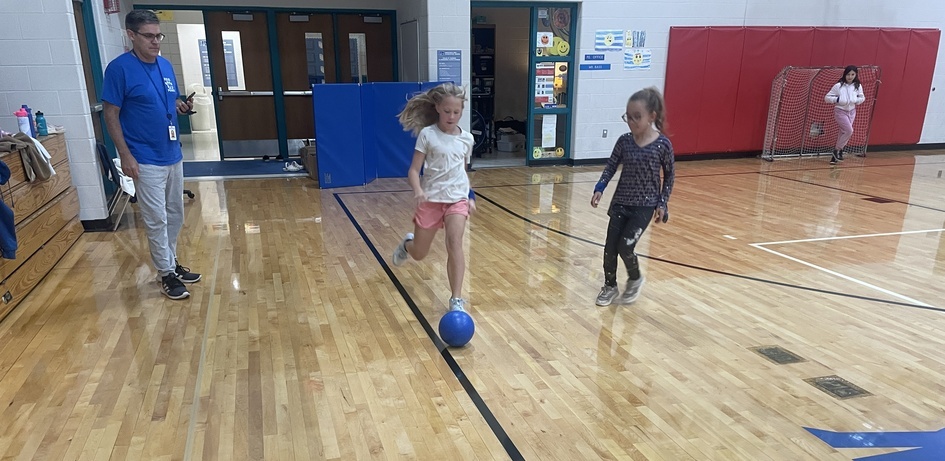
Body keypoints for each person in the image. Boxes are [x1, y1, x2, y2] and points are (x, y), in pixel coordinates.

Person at [103, 10, 200, 300]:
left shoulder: (166, 66)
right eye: (148, 36)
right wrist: (125, 155)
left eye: (158, 35)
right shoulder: (119, 69)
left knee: (175, 214)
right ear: (131, 35)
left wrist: (180, 105)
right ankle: (166, 273)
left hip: (172, 152)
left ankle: (169, 262)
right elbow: (111, 114)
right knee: (156, 218)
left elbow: (170, 99)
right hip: (143, 157)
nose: (155, 41)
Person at [391, 83, 477, 313]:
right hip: (431, 199)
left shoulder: (467, 139)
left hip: (457, 199)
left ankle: (456, 299)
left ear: (461, 111)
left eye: (456, 112)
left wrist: (470, 196)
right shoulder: (428, 135)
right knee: (420, 254)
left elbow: (462, 171)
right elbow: (413, 170)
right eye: (447, 110)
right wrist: (418, 190)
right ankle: (407, 246)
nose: (451, 116)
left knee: (454, 243)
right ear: (438, 107)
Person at [591, 87, 675, 307]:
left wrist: (662, 203)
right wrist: (600, 187)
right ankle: (610, 286)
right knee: (610, 247)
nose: (631, 122)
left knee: (625, 246)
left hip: (644, 206)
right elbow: (611, 167)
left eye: (637, 117)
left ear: (652, 116)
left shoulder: (662, 144)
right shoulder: (624, 141)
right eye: (628, 117)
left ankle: (635, 278)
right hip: (621, 202)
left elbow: (669, 175)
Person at [824, 65, 866, 165]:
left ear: (855, 75)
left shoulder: (857, 86)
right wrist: (837, 99)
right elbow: (827, 98)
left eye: (852, 74)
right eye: (848, 74)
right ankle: (836, 150)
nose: (850, 77)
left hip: (852, 111)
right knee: (849, 131)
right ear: (845, 74)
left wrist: (856, 100)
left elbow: (862, 97)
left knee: (843, 132)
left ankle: (838, 153)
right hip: (840, 111)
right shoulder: (838, 86)